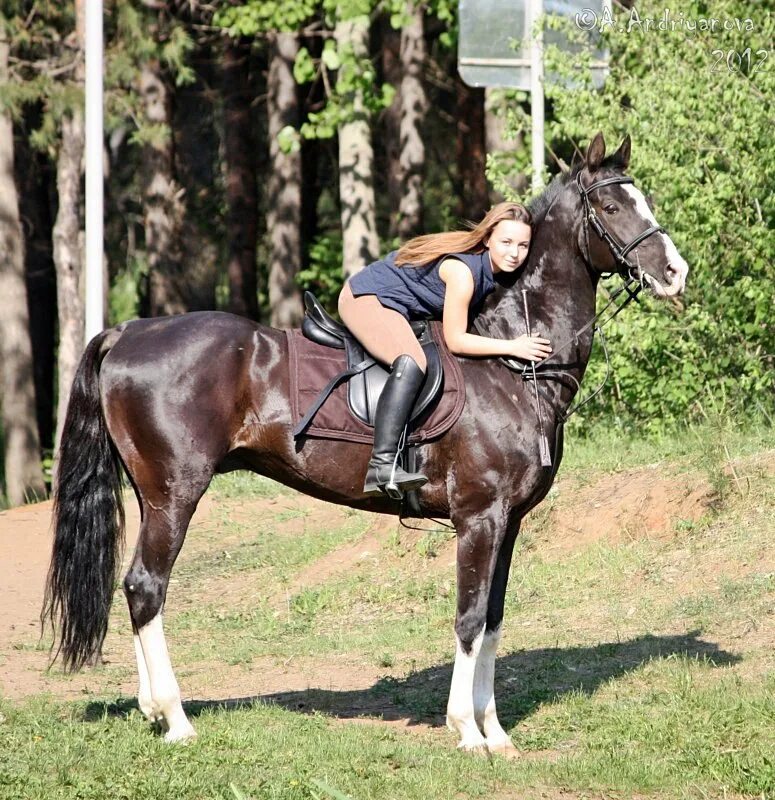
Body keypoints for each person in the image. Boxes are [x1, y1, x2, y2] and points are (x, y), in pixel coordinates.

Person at [338, 202, 552, 497]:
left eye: (523, 245)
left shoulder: (488, 267)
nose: (514, 253)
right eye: (506, 242)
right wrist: (514, 346)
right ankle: (381, 465)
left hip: (396, 305)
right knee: (412, 360)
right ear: (487, 238)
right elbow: (456, 340)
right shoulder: (464, 273)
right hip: (366, 298)